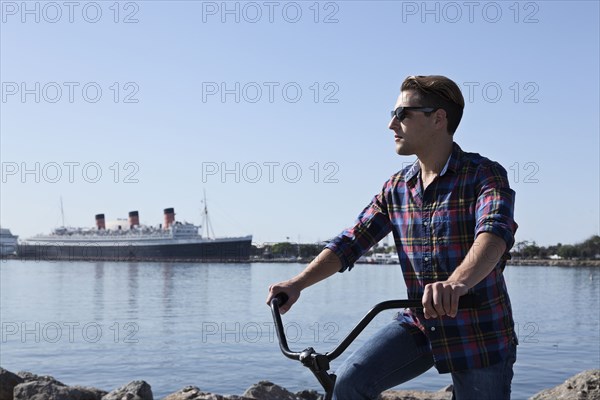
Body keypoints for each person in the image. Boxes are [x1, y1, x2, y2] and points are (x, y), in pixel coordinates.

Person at [266, 75, 518, 400]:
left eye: (402, 114)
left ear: (438, 118)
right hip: (420, 322)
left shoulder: (484, 174)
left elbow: (494, 233)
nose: (391, 124)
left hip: (479, 329)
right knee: (350, 385)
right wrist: (296, 283)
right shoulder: (397, 187)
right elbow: (351, 241)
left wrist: (456, 283)